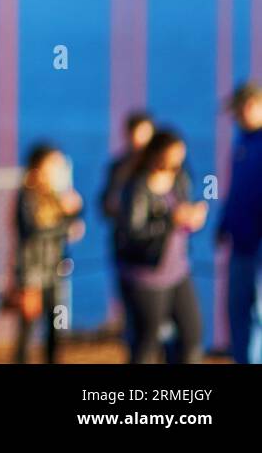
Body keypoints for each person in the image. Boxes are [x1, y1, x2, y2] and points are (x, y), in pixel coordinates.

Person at [115, 128, 206, 364]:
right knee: (148, 340)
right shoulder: (137, 188)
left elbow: (180, 217)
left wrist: (190, 220)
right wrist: (170, 221)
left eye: (180, 159)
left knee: (191, 334)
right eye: (173, 158)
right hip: (146, 276)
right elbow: (132, 234)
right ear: (157, 155)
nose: (177, 164)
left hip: (178, 270)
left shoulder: (180, 180)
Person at [12, 143, 84, 364]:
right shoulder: (27, 195)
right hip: (31, 273)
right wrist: (66, 224)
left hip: (55, 270)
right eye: (53, 163)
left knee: (55, 327)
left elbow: (69, 223)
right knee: (27, 330)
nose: (58, 168)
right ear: (40, 165)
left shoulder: (55, 194)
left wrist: (75, 211)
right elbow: (33, 229)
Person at [99, 110, 155, 355]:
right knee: (132, 311)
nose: (139, 141)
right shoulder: (118, 167)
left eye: (144, 135)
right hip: (124, 249)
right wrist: (114, 207)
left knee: (159, 319)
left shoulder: (164, 169)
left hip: (157, 254)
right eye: (135, 135)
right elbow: (104, 203)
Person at [217, 81, 262, 364]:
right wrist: (224, 223)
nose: (234, 119)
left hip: (259, 245)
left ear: (252, 106)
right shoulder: (242, 143)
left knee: (258, 313)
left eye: (237, 112)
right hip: (241, 242)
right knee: (238, 310)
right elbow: (237, 190)